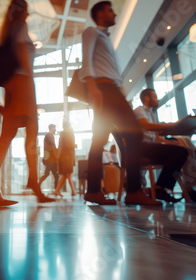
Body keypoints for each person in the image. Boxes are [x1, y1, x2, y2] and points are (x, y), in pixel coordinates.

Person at [79, 1, 158, 205]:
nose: (114, 13)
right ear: (99, 14)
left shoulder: (106, 39)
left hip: (111, 90)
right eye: (109, 10)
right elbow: (86, 61)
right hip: (105, 90)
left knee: (99, 141)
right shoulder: (92, 32)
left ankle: (94, 191)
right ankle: (133, 190)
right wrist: (93, 88)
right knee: (135, 134)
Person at [0, 0, 54, 205]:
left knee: (8, 136)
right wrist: (31, 80)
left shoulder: (8, 31)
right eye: (27, 8)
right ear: (23, 11)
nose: (29, 12)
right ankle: (32, 181)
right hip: (23, 83)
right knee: (29, 133)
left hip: (13, 86)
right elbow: (22, 50)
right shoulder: (21, 27)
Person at [133, 89, 191, 203]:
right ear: (147, 98)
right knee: (181, 153)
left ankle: (160, 188)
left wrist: (170, 143)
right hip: (142, 148)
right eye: (155, 97)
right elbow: (147, 127)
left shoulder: (150, 113)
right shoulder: (139, 111)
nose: (157, 99)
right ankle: (160, 188)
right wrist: (173, 125)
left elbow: (156, 138)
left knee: (180, 152)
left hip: (149, 147)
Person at [53, 121, 76, 197]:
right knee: (68, 174)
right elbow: (69, 145)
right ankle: (72, 191)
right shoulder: (68, 134)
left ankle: (57, 191)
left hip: (62, 157)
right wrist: (74, 145)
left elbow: (60, 147)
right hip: (67, 157)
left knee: (65, 175)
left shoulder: (62, 135)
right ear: (69, 126)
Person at [39, 124, 59, 189]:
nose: (55, 129)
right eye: (54, 128)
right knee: (48, 174)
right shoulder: (48, 136)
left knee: (55, 176)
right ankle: (38, 185)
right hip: (50, 160)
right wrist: (57, 156)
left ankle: (56, 190)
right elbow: (53, 147)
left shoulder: (50, 136)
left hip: (51, 159)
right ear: (51, 128)